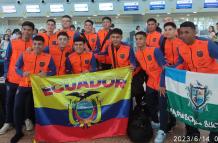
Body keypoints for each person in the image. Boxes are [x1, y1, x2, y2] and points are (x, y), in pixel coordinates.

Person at [173, 21, 218, 143]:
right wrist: (170, 72)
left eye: (187, 32)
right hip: (193, 84)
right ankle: (192, 134)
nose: (183, 35)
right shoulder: (181, 47)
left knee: (214, 111)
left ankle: (214, 137)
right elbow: (181, 63)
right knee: (191, 109)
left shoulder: (207, 43)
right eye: (181, 33)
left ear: (195, 32)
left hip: (212, 84)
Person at [11, 35, 56, 143]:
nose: (37, 46)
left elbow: (53, 70)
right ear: (32, 44)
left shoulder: (48, 57)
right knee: (17, 107)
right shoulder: (25, 54)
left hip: (38, 87)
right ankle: (18, 132)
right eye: (35, 44)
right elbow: (16, 67)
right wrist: (22, 73)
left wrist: (47, 73)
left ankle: (42, 132)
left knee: (40, 110)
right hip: (24, 85)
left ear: (43, 45)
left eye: (39, 44)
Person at [0, 21, 34, 135]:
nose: (26, 32)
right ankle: (8, 122)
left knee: (27, 102)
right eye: (24, 29)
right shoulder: (13, 42)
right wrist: (5, 74)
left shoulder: (35, 44)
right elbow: (7, 59)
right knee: (9, 101)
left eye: (29, 30)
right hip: (12, 78)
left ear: (32, 31)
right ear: (21, 29)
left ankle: (27, 119)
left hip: (27, 80)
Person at [134, 31, 167, 143]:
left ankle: (163, 130)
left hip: (161, 82)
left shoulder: (155, 50)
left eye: (141, 39)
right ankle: (156, 121)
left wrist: (162, 84)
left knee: (163, 107)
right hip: (150, 82)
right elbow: (138, 67)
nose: (139, 41)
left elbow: (164, 68)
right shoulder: (137, 53)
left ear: (146, 39)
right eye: (137, 39)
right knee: (150, 103)